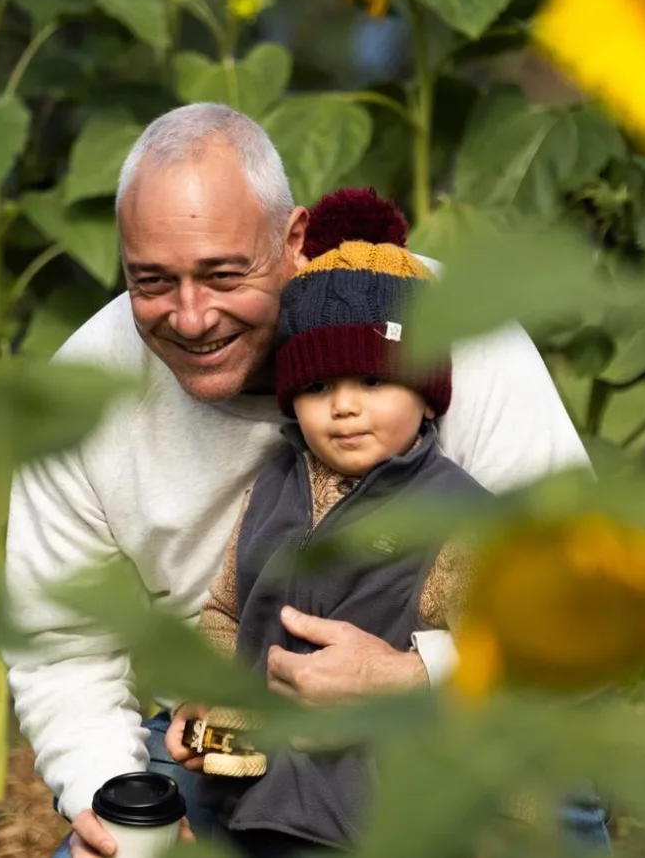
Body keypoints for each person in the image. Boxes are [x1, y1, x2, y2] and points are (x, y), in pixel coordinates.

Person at [3, 103, 594, 858]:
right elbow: (63, 649)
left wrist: (417, 677)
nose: (190, 317)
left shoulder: (438, 328)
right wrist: (117, 805)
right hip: (224, 751)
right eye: (152, 281)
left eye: (223, 274)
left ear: (292, 238)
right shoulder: (85, 393)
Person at [170, 187, 490, 855]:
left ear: (427, 396)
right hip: (249, 794)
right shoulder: (274, 487)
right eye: (317, 387)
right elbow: (226, 609)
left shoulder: (453, 514)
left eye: (372, 383)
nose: (342, 407)